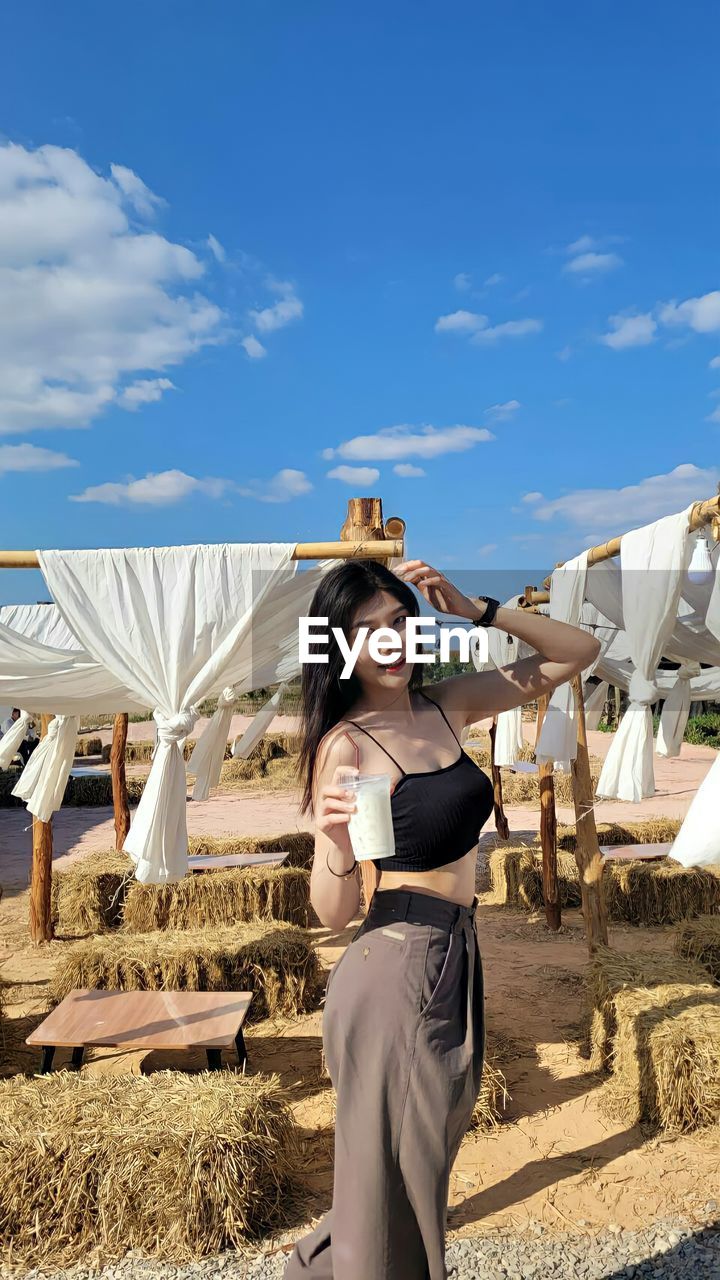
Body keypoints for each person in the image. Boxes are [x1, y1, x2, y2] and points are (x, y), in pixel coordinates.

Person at [284, 557, 600, 1280]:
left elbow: (577, 652)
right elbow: (333, 915)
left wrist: (478, 610)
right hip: (394, 965)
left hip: (453, 954)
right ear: (338, 646)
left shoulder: (446, 705)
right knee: (396, 1183)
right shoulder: (346, 743)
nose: (391, 643)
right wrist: (330, 844)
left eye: (400, 623)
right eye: (368, 632)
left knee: (407, 1171)